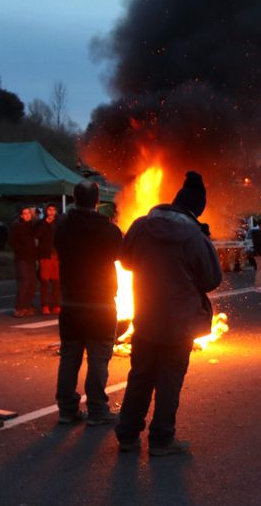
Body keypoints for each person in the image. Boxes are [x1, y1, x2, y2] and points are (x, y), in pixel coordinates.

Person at [116, 171, 223, 455]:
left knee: (140, 375)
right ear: (196, 209)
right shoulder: (194, 237)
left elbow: (125, 262)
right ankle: (162, 440)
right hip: (179, 324)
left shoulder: (140, 226)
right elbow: (211, 280)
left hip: (146, 318)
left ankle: (127, 435)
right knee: (169, 381)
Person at [53, 181, 123, 425]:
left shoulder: (62, 227)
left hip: (71, 303)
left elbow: (58, 239)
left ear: (73, 198)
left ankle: (66, 410)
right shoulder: (110, 231)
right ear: (97, 201)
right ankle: (97, 410)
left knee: (69, 357)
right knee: (98, 358)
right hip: (101, 304)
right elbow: (123, 258)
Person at [10, 206, 39, 317]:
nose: (27, 215)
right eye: (25, 214)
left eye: (29, 213)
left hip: (31, 258)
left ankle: (26, 306)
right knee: (24, 283)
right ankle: (19, 307)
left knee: (32, 283)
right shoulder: (17, 226)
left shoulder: (31, 226)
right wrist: (21, 250)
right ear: (21, 215)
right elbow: (12, 242)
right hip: (22, 258)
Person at [35, 204, 62, 315]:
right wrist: (46, 222)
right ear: (46, 211)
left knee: (56, 282)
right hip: (45, 255)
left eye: (53, 209)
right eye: (49, 210)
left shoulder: (59, 223)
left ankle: (56, 305)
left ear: (56, 211)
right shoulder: (41, 223)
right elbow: (37, 235)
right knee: (45, 282)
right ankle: (45, 306)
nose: (51, 212)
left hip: (57, 256)